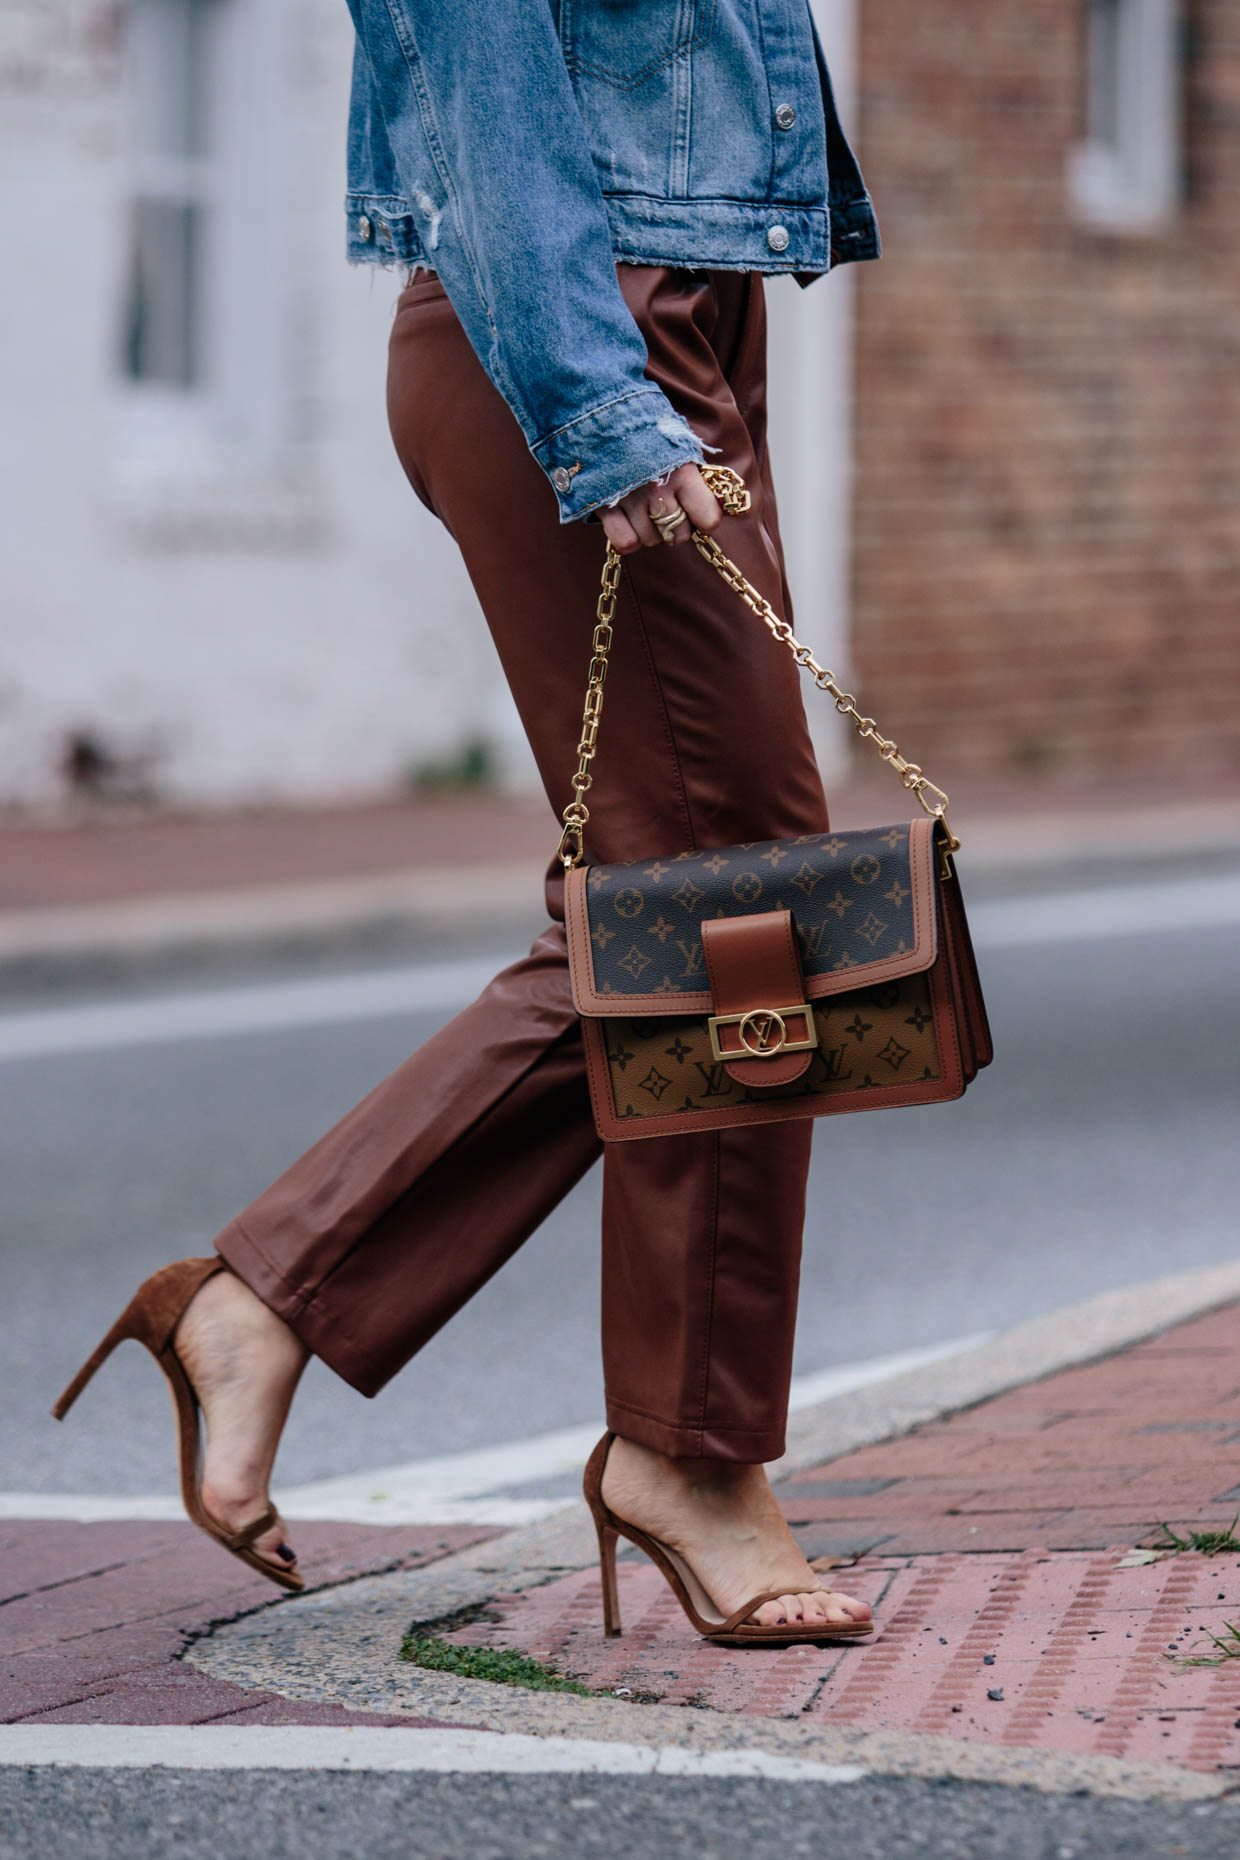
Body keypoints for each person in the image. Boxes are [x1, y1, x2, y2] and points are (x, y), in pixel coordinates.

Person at [55, 1, 883, 1645]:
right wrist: (596, 392)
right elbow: (486, 51)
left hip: (680, 301)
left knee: (695, 921)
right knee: (743, 919)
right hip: (580, 315)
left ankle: (265, 1303)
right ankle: (689, 1458)